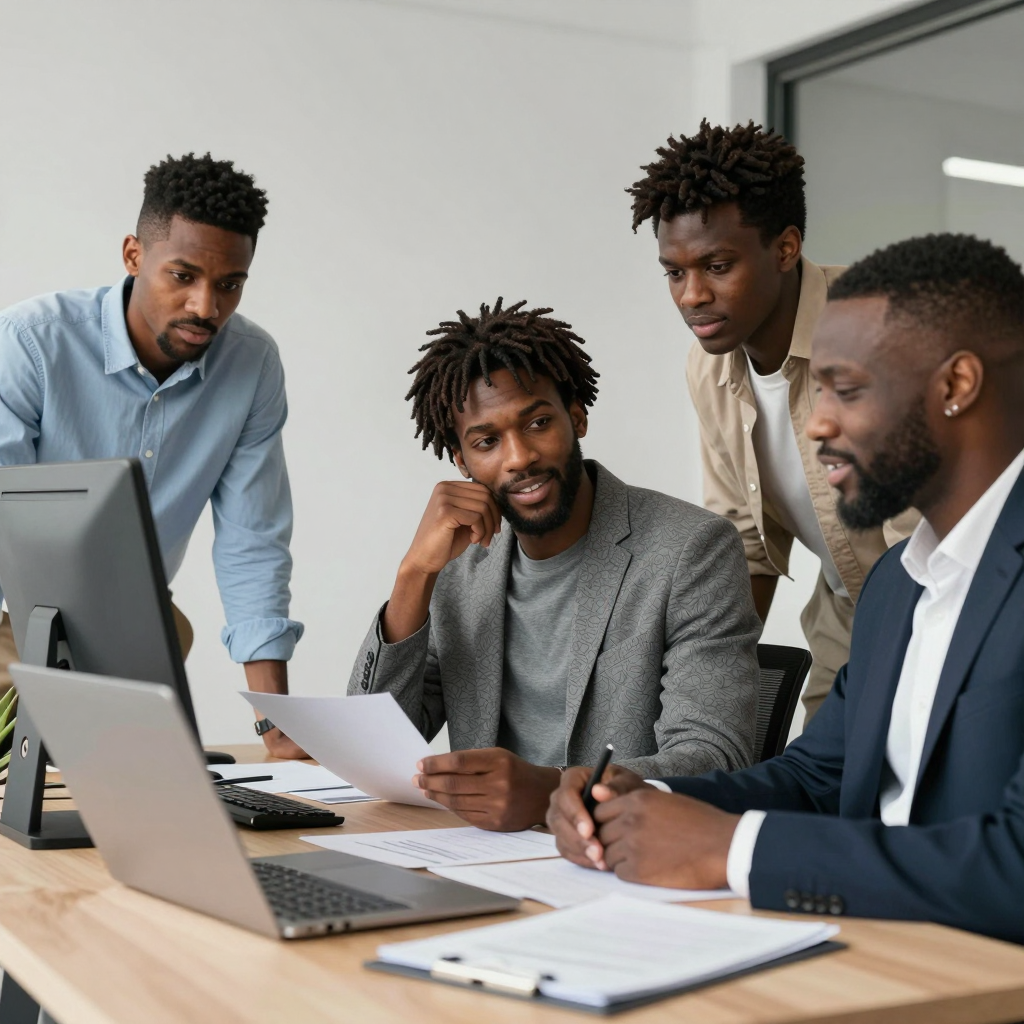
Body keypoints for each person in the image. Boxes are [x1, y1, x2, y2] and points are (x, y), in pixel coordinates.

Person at [547, 234, 1024, 944]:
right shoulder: (898, 585)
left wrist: (731, 850)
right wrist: (645, 800)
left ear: (955, 386)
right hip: (876, 959)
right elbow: (816, 779)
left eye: (848, 389)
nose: (819, 424)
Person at [347, 298, 760, 831]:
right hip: (480, 856)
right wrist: (413, 576)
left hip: (618, 855)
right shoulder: (458, 563)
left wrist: (551, 791)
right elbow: (374, 748)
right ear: (461, 460)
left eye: (537, 422)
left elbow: (713, 757)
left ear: (577, 416)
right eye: (487, 442)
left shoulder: (691, 551)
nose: (518, 457)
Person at [0, 153, 305, 757]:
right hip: (14, 613)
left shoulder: (251, 366)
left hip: (129, 619)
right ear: (134, 256)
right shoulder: (32, 343)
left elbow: (253, 541)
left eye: (229, 284)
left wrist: (276, 726)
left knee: (167, 635)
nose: (205, 308)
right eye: (183, 276)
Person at [627, 120, 916, 719]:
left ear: (785, 248)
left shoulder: (878, 338)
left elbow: (922, 546)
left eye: (717, 266)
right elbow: (742, 545)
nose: (691, 296)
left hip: (949, 607)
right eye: (674, 272)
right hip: (848, 608)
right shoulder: (709, 370)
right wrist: (700, 692)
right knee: (817, 786)